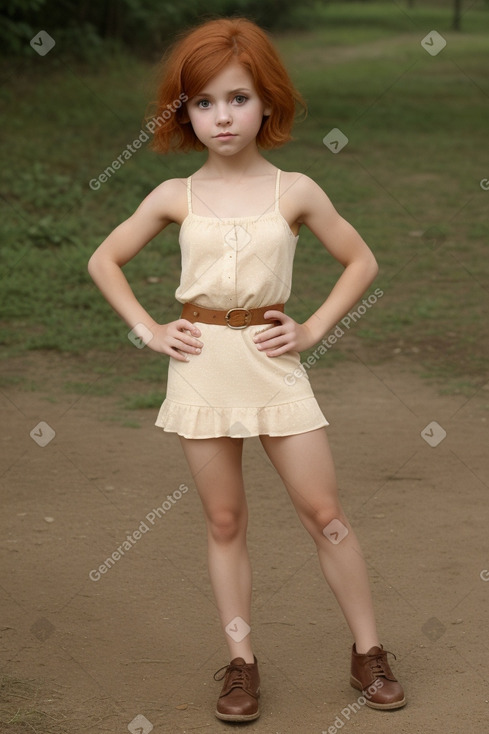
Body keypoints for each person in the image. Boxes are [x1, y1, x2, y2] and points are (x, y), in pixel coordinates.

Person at [88, 16, 406, 722]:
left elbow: (361, 261)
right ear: (185, 112)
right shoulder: (176, 195)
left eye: (235, 98)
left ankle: (368, 654)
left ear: (266, 101)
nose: (220, 117)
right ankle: (241, 665)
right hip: (201, 364)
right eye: (202, 103)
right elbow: (103, 259)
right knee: (224, 521)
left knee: (324, 516)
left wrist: (315, 326)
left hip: (272, 364)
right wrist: (148, 328)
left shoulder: (295, 189)